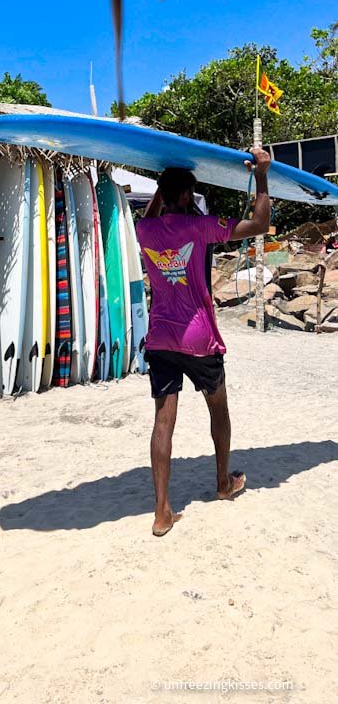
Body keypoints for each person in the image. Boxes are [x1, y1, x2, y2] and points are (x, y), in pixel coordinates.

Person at [136, 148, 271, 537]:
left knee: (163, 423)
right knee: (219, 409)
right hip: (198, 338)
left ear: (161, 193)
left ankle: (162, 513)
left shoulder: (146, 230)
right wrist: (261, 174)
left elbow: (151, 216)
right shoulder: (201, 227)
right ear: (183, 197)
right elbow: (259, 223)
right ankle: (223, 482)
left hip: (160, 337)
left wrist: (165, 188)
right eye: (190, 194)